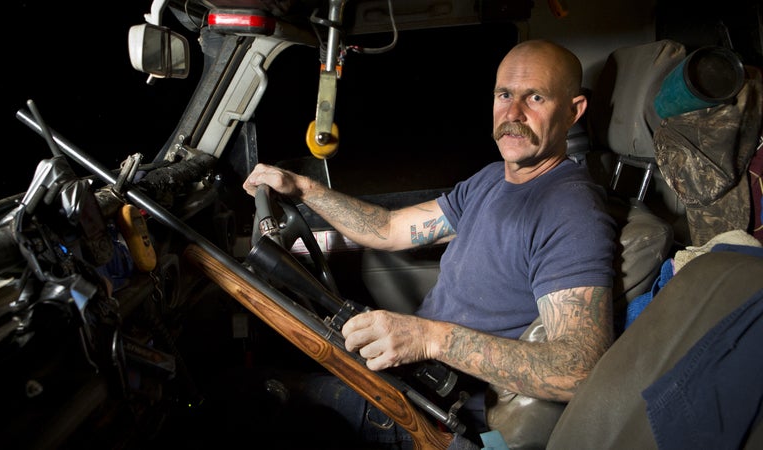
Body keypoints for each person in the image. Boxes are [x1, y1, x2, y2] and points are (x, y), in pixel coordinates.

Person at [242, 39, 616, 448]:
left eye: (536, 97)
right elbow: (388, 228)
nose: (513, 114)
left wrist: (428, 338)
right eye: (504, 95)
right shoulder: (491, 179)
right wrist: (303, 188)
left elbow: (579, 369)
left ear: (573, 111)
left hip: (439, 414)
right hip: (411, 379)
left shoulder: (570, 210)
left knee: (253, 397)